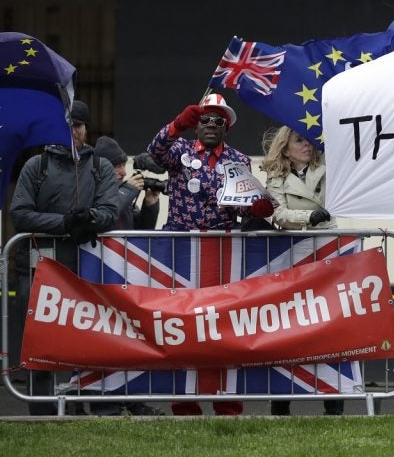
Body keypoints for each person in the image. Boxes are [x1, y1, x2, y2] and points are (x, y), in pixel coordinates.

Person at [146, 93, 273, 416]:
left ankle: (226, 400)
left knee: (223, 327)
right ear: (196, 124)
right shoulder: (180, 151)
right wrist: (176, 125)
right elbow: (154, 152)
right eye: (205, 119)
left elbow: (242, 204)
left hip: (222, 250)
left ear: (226, 127)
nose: (211, 125)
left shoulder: (239, 160)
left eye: (218, 120)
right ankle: (184, 401)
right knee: (181, 325)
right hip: (182, 251)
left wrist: (255, 207)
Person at [9, 100, 119, 415]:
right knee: (40, 344)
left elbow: (110, 211)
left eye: (78, 125)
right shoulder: (36, 165)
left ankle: (84, 408)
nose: (73, 131)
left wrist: (89, 219)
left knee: (90, 342)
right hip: (40, 269)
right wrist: (64, 224)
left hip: (87, 271)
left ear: (87, 129)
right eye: (68, 124)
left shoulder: (101, 167)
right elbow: (20, 213)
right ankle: (42, 411)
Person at [260, 125, 342, 416]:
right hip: (292, 258)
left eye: (309, 140)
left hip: (327, 256)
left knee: (330, 328)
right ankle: (281, 405)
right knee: (288, 329)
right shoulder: (275, 177)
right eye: (299, 140)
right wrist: (310, 215)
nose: (307, 145)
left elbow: (339, 200)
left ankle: (334, 403)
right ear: (285, 147)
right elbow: (277, 213)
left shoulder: (330, 168)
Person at [91, 136, 164, 416]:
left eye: (123, 164)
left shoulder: (121, 191)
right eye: (116, 165)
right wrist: (127, 193)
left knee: (131, 342)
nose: (123, 171)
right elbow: (104, 219)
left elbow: (139, 230)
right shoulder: (97, 190)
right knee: (106, 343)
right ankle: (104, 404)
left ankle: (133, 399)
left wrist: (150, 203)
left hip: (126, 281)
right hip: (101, 281)